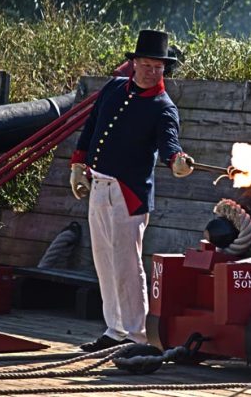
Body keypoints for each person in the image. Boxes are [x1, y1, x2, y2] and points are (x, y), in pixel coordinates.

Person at [69, 29, 194, 352]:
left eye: (159, 67)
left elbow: (169, 144)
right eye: (148, 65)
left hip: (129, 194)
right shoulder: (112, 89)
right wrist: (77, 166)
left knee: (128, 265)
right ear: (135, 63)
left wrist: (177, 160)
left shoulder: (164, 108)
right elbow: (91, 129)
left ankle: (137, 335)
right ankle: (114, 329)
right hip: (98, 185)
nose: (153, 72)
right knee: (104, 262)